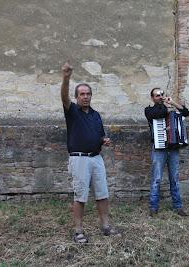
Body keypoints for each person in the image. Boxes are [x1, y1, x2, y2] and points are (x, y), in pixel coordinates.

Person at [61, 61, 118, 243]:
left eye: (88, 94)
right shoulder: (72, 111)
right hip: (79, 159)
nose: (85, 97)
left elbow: (100, 135)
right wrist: (66, 78)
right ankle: (78, 230)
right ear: (77, 97)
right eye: (82, 94)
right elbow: (64, 97)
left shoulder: (96, 115)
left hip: (96, 158)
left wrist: (104, 140)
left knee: (102, 194)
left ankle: (106, 226)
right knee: (81, 196)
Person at [144, 88, 189, 217]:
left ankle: (178, 206)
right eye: (157, 95)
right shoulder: (149, 110)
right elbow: (159, 113)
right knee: (157, 179)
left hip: (173, 148)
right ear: (152, 98)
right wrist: (165, 104)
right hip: (159, 149)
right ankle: (154, 207)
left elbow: (186, 113)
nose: (160, 97)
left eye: (162, 94)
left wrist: (173, 103)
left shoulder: (170, 109)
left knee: (174, 178)